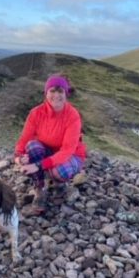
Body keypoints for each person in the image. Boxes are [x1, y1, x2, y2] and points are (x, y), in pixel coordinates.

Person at [14, 74, 87, 215]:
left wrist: (37, 165)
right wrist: (18, 157)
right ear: (46, 93)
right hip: (48, 152)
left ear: (66, 94)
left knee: (59, 172)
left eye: (60, 91)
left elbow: (66, 151)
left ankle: (59, 183)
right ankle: (39, 190)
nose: (56, 95)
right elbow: (24, 140)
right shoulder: (36, 113)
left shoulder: (73, 116)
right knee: (31, 146)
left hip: (71, 155)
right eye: (52, 91)